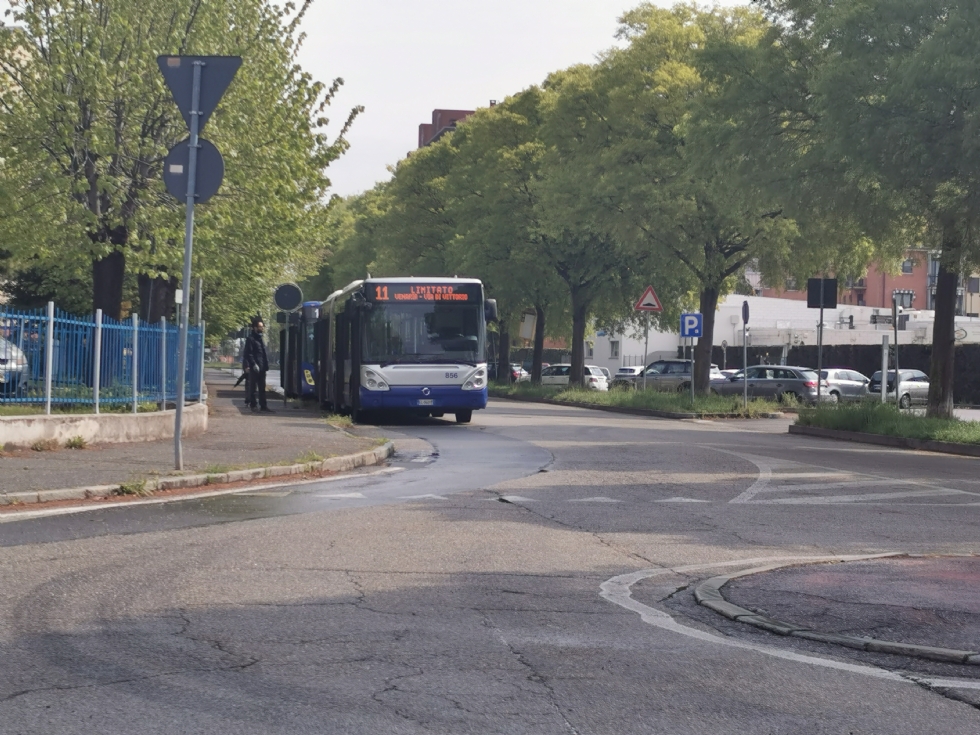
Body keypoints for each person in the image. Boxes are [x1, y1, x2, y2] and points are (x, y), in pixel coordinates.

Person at [242, 316, 273, 413]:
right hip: (254, 367)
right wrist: (253, 364)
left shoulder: (260, 339)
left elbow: (262, 353)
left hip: (262, 367)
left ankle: (263, 406)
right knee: (253, 388)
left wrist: (265, 365)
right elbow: (248, 353)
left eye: (262, 326)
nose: (262, 328)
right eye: (260, 327)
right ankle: (253, 405)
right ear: (255, 328)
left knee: (262, 388)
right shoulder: (251, 339)